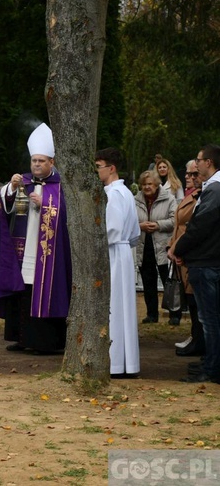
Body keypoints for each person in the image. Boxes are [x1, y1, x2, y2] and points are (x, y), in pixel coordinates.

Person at [0, 123, 71, 353]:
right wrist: (11, 189)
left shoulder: (61, 186)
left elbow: (67, 215)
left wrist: (45, 206)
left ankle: (46, 342)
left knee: (45, 291)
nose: (36, 165)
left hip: (48, 252)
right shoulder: (22, 181)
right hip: (23, 249)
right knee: (23, 291)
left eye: (41, 161)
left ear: (52, 162)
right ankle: (22, 338)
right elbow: (3, 206)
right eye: (34, 161)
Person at [171, 144, 220, 383]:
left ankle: (212, 369)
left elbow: (200, 226)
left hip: (208, 262)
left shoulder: (215, 190)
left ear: (208, 162)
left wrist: (179, 248)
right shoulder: (211, 189)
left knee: (210, 320)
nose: (195, 165)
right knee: (210, 318)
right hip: (205, 259)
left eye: (199, 161)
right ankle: (211, 362)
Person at [95, 148, 141, 377]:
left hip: (112, 252)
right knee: (122, 307)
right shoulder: (126, 192)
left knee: (113, 306)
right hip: (123, 252)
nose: (97, 171)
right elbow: (134, 232)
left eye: (99, 166)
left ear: (111, 168)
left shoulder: (112, 194)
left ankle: (115, 363)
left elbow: (110, 230)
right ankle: (126, 362)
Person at [168, 159, 204, 356]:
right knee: (191, 301)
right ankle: (195, 337)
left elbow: (192, 228)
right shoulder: (190, 195)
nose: (189, 178)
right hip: (180, 252)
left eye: (193, 174)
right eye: (187, 174)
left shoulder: (201, 197)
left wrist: (179, 249)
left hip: (189, 254)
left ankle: (199, 340)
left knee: (196, 301)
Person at [134, 170, 177, 324]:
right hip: (144, 246)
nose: (147, 187)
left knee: (169, 282)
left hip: (163, 247)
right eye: (144, 184)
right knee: (148, 282)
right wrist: (140, 225)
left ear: (157, 184)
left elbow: (174, 221)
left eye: (150, 184)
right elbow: (129, 221)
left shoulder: (169, 199)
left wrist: (158, 225)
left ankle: (174, 315)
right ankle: (151, 314)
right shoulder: (135, 200)